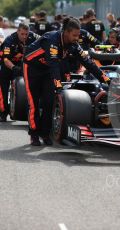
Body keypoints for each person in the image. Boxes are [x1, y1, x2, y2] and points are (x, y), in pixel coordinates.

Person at [23, 17, 110, 146]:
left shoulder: (73, 44)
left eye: (78, 35)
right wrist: (58, 85)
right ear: (66, 32)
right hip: (32, 68)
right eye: (74, 35)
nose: (77, 38)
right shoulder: (52, 40)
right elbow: (54, 64)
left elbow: (88, 63)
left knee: (49, 101)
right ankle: (34, 134)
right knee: (34, 102)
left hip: (47, 69)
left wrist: (106, 79)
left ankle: (45, 133)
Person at [0, 24, 40, 122]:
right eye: (22, 34)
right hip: (7, 64)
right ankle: (3, 113)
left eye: (26, 34)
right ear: (17, 32)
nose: (24, 36)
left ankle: (21, 109)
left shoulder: (33, 37)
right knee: (3, 88)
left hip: (21, 63)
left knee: (22, 86)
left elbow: (43, 43)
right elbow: (6, 60)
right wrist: (14, 68)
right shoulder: (9, 41)